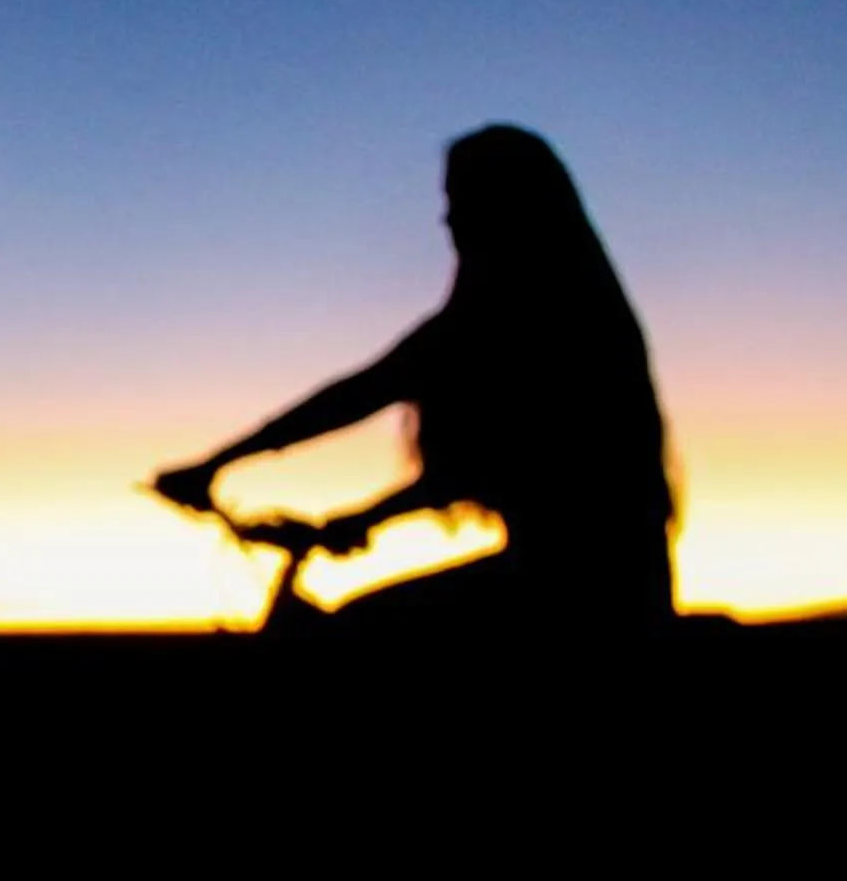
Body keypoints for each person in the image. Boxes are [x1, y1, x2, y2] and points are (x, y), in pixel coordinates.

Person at [153, 124, 675, 631]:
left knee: (363, 629)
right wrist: (359, 520)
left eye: (462, 198)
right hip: (604, 576)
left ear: (509, 206)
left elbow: (357, 395)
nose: (447, 219)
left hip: (573, 585)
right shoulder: (574, 308)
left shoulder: (516, 316)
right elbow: (481, 470)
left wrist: (215, 465)